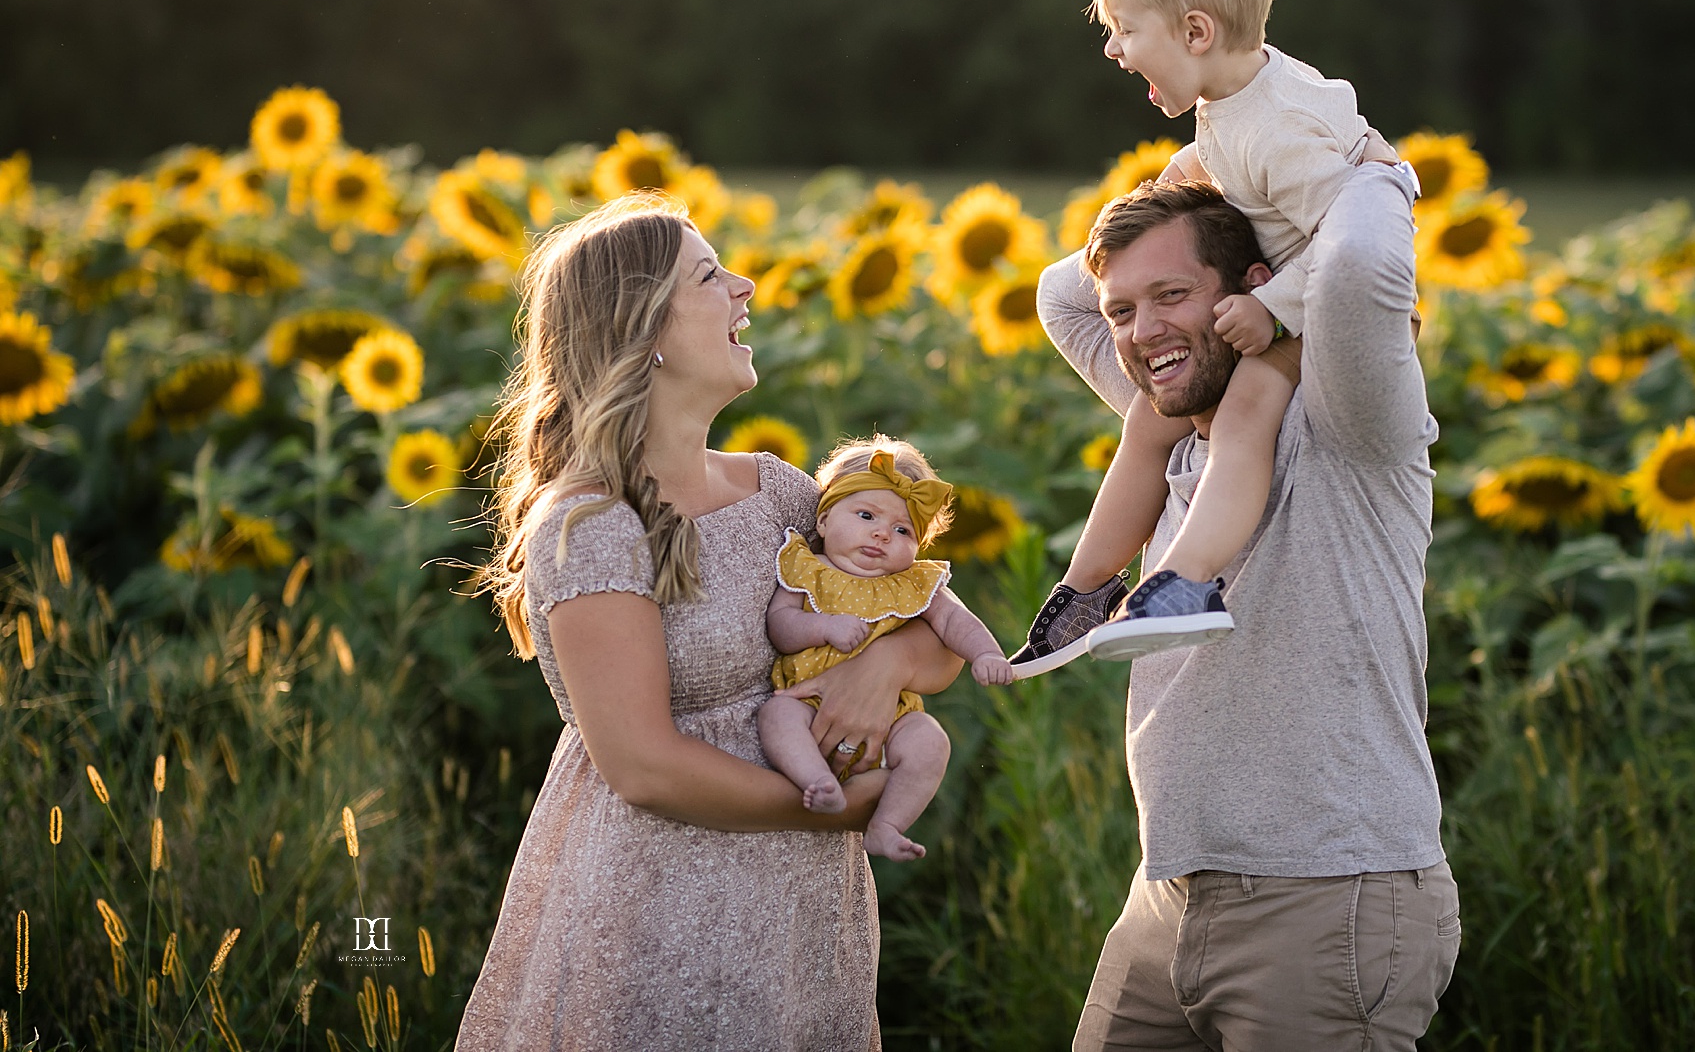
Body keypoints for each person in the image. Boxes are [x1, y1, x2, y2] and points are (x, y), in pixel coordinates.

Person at [456, 194, 962, 1051]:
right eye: (709, 274)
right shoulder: (590, 524)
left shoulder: (777, 492)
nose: (745, 284)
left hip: (801, 907)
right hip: (663, 899)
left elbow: (928, 624)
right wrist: (836, 810)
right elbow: (644, 766)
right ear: (643, 329)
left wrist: (889, 664)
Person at [1037, 177, 1459, 1049]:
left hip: (1326, 898)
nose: (1142, 330)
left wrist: (1293, 163)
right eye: (1123, 311)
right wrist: (1209, 164)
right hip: (1165, 897)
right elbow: (1059, 291)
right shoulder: (1179, 423)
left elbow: (1361, 265)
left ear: (1253, 287)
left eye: (1172, 296)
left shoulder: (1349, 420)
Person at [1012, 0, 1412, 672]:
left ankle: (1188, 584)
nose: (1114, 49)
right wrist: (1177, 180)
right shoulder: (1239, 100)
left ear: (1197, 31)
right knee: (1148, 425)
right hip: (1270, 297)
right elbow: (1229, 159)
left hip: (1305, 318)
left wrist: (1269, 307)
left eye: (1127, 30)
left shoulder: (1278, 128)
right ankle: (1088, 589)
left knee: (1243, 418)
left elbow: (1344, 247)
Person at [761, 437, 1015, 860]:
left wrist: (986, 654)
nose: (882, 534)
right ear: (823, 520)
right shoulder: (807, 567)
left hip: (890, 717)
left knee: (930, 741)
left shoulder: (915, 582)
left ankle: (886, 824)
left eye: (902, 530)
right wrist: (822, 626)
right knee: (776, 714)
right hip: (806, 700)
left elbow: (956, 621)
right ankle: (815, 781)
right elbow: (780, 627)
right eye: (865, 515)